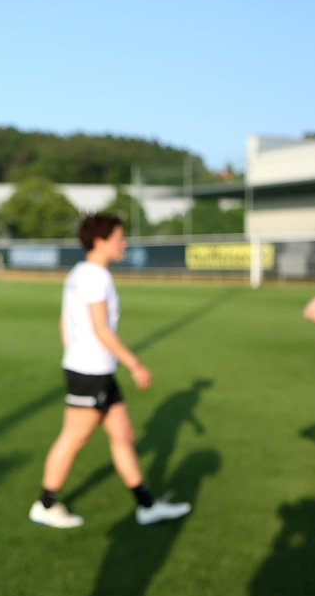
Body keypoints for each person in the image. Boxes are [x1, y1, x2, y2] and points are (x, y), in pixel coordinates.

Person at [28, 214, 192, 528]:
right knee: (74, 438)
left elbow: (65, 322)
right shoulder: (95, 276)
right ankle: (44, 505)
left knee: (123, 435)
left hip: (93, 369)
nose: (124, 243)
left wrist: (74, 353)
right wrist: (135, 364)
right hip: (91, 372)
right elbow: (101, 328)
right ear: (100, 242)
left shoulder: (80, 272)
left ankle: (146, 505)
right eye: (119, 237)